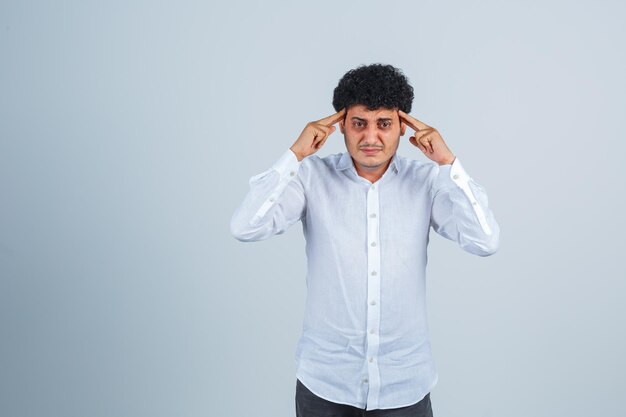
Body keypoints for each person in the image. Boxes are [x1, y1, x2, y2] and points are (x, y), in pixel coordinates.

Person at [230, 63, 500, 417]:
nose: (370, 137)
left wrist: (449, 164)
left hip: (404, 386)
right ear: (341, 124)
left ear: (403, 127)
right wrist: (294, 154)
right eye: (359, 123)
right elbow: (246, 227)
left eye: (384, 124)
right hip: (324, 385)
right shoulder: (311, 177)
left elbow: (485, 241)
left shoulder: (428, 181)